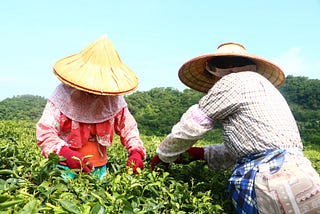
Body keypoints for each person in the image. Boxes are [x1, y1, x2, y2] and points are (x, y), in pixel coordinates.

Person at [151, 42, 320, 213]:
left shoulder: (232, 80)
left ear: (224, 69)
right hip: (305, 178)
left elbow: (192, 124)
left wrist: (163, 156)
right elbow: (256, 146)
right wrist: (202, 154)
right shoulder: (262, 87)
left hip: (270, 182)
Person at [36, 35, 146, 179]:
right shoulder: (63, 95)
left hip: (99, 168)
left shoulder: (113, 100)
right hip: (63, 167)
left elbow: (129, 129)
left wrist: (136, 152)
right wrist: (66, 154)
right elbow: (45, 132)